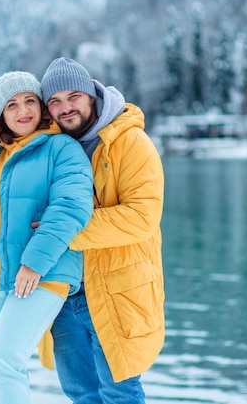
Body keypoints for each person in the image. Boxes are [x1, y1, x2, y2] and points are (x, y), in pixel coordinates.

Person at [0, 71, 94, 404]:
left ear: (41, 105)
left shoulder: (62, 149)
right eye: (12, 104)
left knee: (4, 360)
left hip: (42, 274)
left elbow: (71, 208)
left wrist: (34, 263)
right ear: (0, 114)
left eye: (30, 100)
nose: (23, 110)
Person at [39, 57, 165, 403]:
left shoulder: (131, 143)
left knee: (119, 392)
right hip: (63, 294)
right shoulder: (50, 149)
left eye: (73, 96)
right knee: (80, 393)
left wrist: (64, 231)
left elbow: (142, 216)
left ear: (91, 95)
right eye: (55, 101)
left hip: (116, 290)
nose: (66, 108)